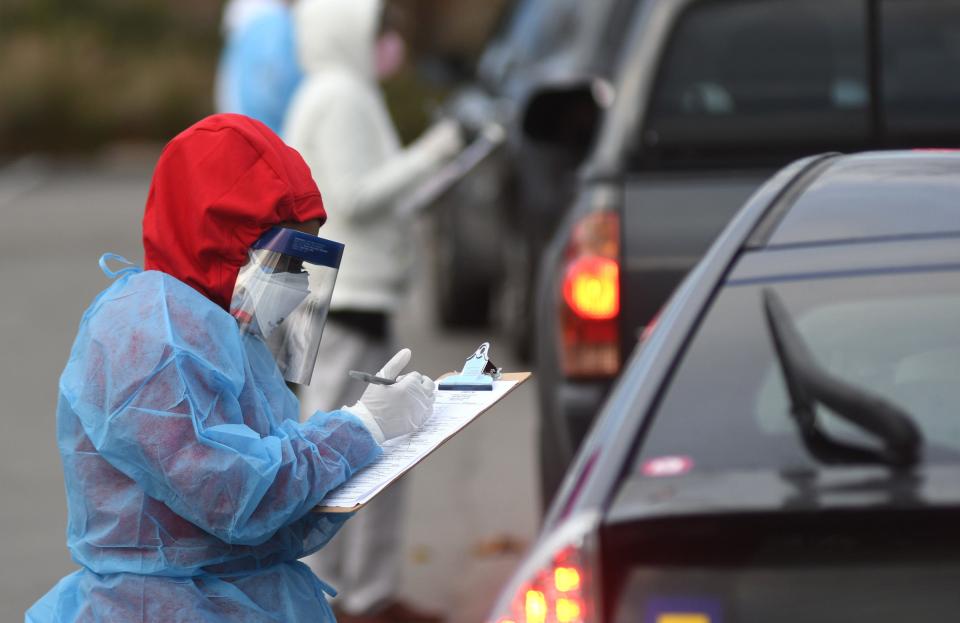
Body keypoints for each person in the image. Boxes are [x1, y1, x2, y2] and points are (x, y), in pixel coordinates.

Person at [25, 113, 435, 623]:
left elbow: (279, 513)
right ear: (224, 240)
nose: (299, 281)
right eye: (287, 260)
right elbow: (235, 496)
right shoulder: (159, 336)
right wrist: (360, 428)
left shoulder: (218, 326)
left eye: (306, 262)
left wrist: (374, 439)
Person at [283, 1, 463, 621]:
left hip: (345, 291)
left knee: (367, 443)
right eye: (376, 26)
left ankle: (357, 592)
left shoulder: (331, 90)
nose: (387, 40)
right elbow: (358, 198)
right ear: (346, 28)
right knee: (353, 446)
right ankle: (341, 594)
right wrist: (440, 149)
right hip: (350, 294)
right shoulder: (341, 96)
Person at [215, 0, 303, 134]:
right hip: (267, 140)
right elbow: (268, 95)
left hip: (243, 134)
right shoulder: (271, 24)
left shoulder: (249, 21)